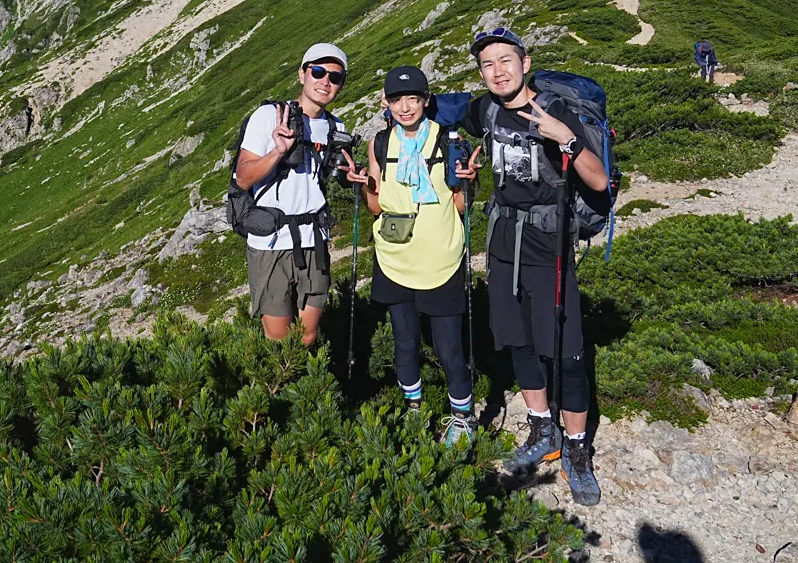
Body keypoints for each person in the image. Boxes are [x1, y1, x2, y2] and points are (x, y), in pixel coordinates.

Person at [458, 27, 610, 507]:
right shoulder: (484, 109)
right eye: (487, 64)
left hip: (550, 248)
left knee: (567, 352)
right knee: (518, 340)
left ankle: (578, 449)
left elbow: (600, 181)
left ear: (526, 63)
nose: (497, 71)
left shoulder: (557, 111)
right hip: (503, 244)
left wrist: (564, 138)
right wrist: (396, 101)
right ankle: (543, 430)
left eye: (506, 61)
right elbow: (437, 108)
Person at [345, 64, 476, 445]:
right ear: (386, 103)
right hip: (394, 258)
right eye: (397, 99)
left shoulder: (448, 140)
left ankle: (462, 418)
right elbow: (376, 205)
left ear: (426, 101)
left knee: (449, 347)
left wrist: (470, 181)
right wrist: (364, 184)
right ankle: (413, 409)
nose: (405, 107)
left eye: (413, 99)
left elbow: (463, 206)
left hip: (441, 256)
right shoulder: (380, 143)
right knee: (405, 341)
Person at [233, 43, 350, 347]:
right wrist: (277, 152)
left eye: (334, 77)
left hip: (315, 240)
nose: (325, 81)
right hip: (271, 242)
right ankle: (279, 393)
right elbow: (244, 177)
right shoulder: (269, 116)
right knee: (278, 339)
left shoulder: (336, 128)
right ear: (302, 74)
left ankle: (305, 391)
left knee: (308, 335)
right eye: (318, 72)